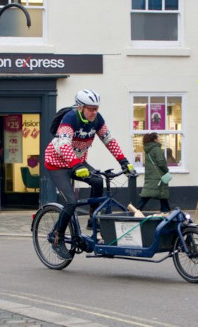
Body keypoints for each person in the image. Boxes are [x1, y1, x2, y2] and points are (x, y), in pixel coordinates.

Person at [45, 89, 135, 259]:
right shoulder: (70, 119)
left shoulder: (97, 120)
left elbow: (109, 140)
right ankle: (57, 238)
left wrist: (123, 161)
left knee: (98, 182)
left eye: (96, 108)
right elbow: (64, 144)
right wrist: (76, 165)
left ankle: (92, 219)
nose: (94, 112)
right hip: (57, 163)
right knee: (71, 202)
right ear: (80, 107)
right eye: (90, 108)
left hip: (77, 162)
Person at [137, 132, 171, 213]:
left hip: (151, 175)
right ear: (155, 139)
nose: (159, 139)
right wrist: (166, 170)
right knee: (150, 195)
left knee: (157, 194)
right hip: (159, 176)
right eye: (158, 138)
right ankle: (136, 210)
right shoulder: (156, 149)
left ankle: (165, 210)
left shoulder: (148, 150)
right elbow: (161, 162)